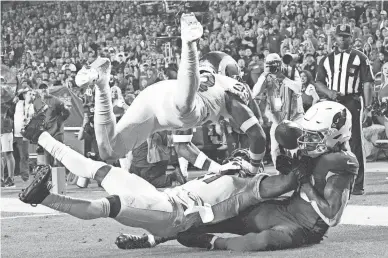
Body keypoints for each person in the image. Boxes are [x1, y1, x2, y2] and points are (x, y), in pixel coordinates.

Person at [117, 101, 359, 252]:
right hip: (283, 208)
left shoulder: (342, 163)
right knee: (214, 213)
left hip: (304, 227)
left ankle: (211, 242)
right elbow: (287, 177)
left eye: (315, 136)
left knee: (257, 243)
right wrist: (289, 170)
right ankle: (152, 238)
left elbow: (330, 216)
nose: (307, 140)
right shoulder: (321, 152)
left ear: (335, 136)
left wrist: (301, 179)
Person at [19, 115, 300, 241]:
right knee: (100, 169)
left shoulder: (250, 185)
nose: (235, 160)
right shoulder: (221, 171)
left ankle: (44, 197)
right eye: (235, 157)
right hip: (162, 197)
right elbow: (190, 153)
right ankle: (39, 136)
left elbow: (282, 184)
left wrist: (297, 164)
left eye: (240, 158)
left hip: (172, 215)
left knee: (111, 205)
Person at [75, 14, 266, 176]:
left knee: (109, 151)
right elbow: (258, 134)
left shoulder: (212, 91)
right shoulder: (230, 90)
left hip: (157, 98)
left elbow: (183, 147)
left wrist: (217, 168)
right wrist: (253, 167)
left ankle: (102, 84)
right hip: (177, 101)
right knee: (186, 109)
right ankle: (189, 44)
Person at [315, 24, 375, 195]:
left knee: (354, 140)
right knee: (330, 140)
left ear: (351, 38)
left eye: (346, 36)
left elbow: (368, 83)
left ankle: (358, 184)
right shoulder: (326, 59)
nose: (342, 39)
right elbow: (318, 81)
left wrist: (368, 108)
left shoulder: (360, 57)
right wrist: (329, 92)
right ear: (335, 37)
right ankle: (332, 179)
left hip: (352, 101)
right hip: (333, 101)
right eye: (340, 36)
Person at [252, 53, 303, 168]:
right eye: (270, 64)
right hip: (278, 118)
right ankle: (279, 173)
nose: (273, 67)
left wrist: (282, 77)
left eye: (275, 64)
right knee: (275, 150)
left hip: (296, 116)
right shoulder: (265, 75)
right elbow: (255, 93)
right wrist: (265, 75)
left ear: (280, 63)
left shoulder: (291, 71)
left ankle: (300, 172)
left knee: (297, 148)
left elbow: (298, 89)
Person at [35, 83, 70, 166]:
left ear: (48, 89)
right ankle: (49, 175)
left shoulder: (56, 100)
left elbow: (67, 112)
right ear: (38, 91)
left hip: (57, 132)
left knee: (58, 154)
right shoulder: (36, 102)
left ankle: (61, 175)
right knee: (47, 154)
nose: (43, 90)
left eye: (45, 88)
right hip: (46, 132)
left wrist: (60, 120)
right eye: (41, 88)